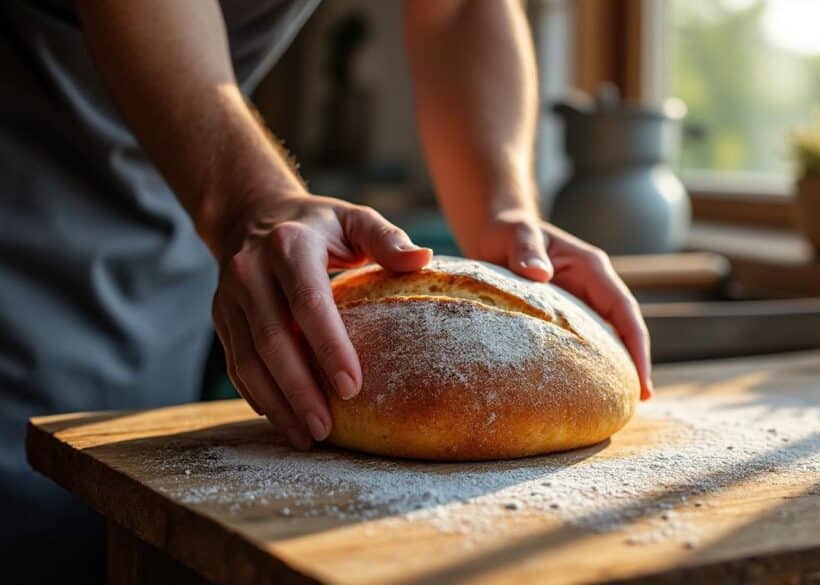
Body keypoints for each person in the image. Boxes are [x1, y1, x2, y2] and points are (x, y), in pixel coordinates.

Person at [0, 1, 652, 582]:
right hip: (25, 198)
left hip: (182, 180)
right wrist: (251, 198)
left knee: (120, 512)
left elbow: (457, 10)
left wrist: (503, 212)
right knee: (35, 515)